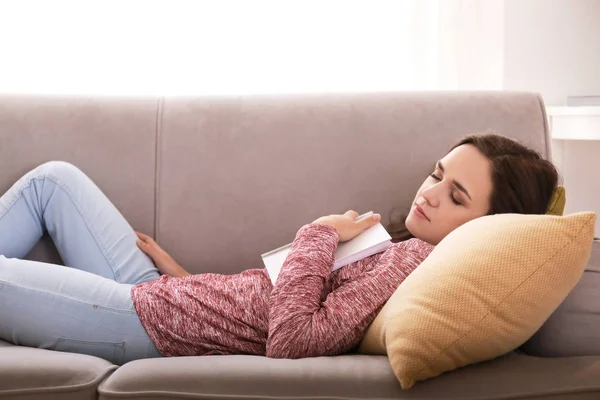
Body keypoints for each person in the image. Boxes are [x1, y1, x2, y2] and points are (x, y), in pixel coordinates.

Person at [0, 133, 558, 365]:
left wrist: (318, 232)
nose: (429, 194)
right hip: (167, 299)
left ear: (488, 224)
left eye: (455, 195)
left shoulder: (416, 264)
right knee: (54, 181)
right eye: (436, 175)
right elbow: (268, 300)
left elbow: (292, 339)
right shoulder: (396, 246)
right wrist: (184, 278)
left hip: (148, 324)